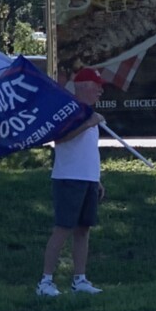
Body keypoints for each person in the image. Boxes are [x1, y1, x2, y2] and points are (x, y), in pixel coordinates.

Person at [36, 67, 107, 297]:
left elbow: (88, 151)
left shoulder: (90, 113)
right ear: (84, 86)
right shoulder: (70, 110)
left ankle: (80, 279)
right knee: (62, 228)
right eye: (97, 86)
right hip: (68, 178)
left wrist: (96, 179)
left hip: (87, 178)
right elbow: (59, 138)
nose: (100, 90)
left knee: (83, 229)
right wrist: (88, 123)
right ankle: (45, 281)